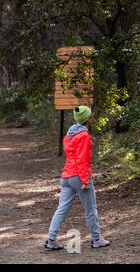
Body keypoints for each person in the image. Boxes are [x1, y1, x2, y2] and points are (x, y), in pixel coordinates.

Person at [44, 105, 110, 250]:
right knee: (90, 209)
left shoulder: (68, 135)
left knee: (62, 209)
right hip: (79, 177)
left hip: (66, 176)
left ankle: (51, 239)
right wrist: (85, 181)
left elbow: (72, 157)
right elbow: (82, 159)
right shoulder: (84, 135)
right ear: (88, 119)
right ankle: (96, 239)